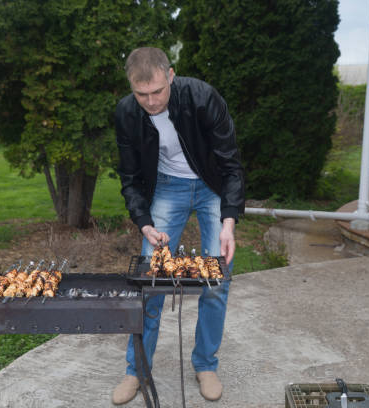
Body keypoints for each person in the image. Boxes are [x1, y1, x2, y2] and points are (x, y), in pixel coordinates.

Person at [112, 47, 245, 405]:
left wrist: (228, 223)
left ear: (170, 75)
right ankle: (136, 369)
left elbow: (231, 165)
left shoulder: (202, 98)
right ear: (131, 88)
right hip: (167, 188)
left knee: (216, 278)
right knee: (150, 278)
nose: (151, 102)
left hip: (211, 187)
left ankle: (205, 364)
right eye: (142, 95)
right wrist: (145, 224)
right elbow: (129, 178)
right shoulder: (126, 113)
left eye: (157, 91)